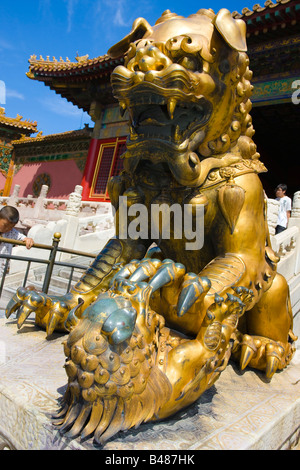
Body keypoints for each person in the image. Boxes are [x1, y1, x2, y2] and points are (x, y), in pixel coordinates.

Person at [0, 205, 34, 275]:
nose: (8, 229)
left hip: (2, 270)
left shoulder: (11, 232)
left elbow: (21, 237)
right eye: (5, 225)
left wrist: (28, 239)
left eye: (11, 227)